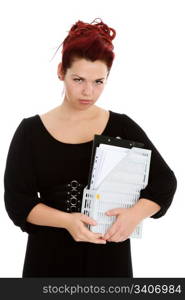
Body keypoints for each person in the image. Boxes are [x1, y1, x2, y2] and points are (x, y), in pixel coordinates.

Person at [4, 18, 177, 278]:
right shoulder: (30, 132)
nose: (88, 92)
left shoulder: (122, 126)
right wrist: (67, 221)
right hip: (48, 259)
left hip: (108, 257)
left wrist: (134, 215)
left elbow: (165, 182)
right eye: (78, 79)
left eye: (99, 82)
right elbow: (18, 202)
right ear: (61, 71)